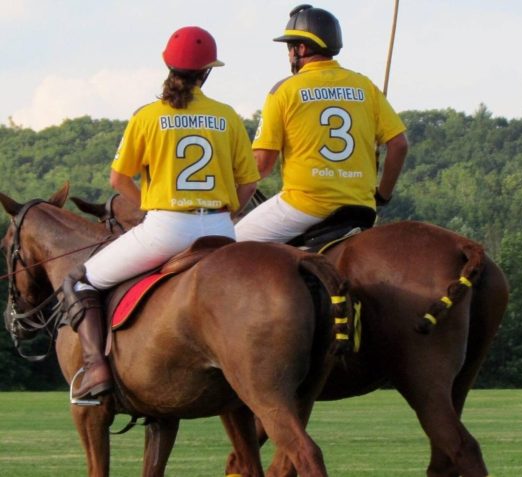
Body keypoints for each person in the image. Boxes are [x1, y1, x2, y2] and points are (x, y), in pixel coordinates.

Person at [63, 26, 259, 400]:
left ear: (168, 66)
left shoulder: (149, 116)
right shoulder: (227, 116)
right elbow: (248, 183)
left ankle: (95, 370)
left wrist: (147, 203)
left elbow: (118, 178)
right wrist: (225, 211)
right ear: (207, 72)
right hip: (221, 230)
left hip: (166, 227)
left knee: (79, 281)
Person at [235, 4, 408, 242]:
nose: (288, 55)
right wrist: (383, 196)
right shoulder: (365, 86)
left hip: (304, 207)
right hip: (361, 208)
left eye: (290, 48)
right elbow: (399, 145)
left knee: (228, 245)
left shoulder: (285, 90)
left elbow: (261, 165)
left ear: (302, 48)